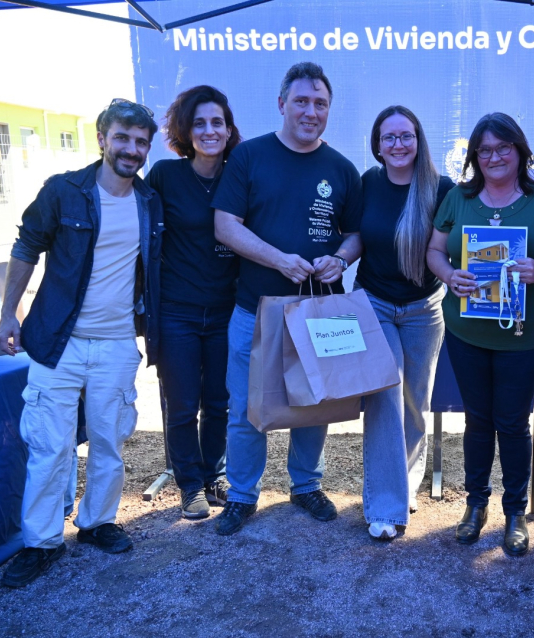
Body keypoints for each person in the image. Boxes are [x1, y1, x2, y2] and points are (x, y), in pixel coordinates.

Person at [0, 98, 163, 587]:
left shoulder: (149, 202)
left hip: (116, 345)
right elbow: (27, 245)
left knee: (110, 441)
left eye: (141, 142)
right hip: (57, 342)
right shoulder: (63, 191)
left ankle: (97, 523)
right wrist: (9, 312)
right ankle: (41, 541)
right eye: (123, 139)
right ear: (102, 139)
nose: (131, 149)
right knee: (51, 446)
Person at [211, 62, 363, 535]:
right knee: (246, 407)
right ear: (282, 104)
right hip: (254, 308)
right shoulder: (250, 157)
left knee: (313, 403)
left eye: (320, 103)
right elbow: (225, 226)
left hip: (317, 310)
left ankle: (305, 486)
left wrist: (340, 258)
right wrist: (279, 259)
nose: (311, 111)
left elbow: (355, 234)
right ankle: (241, 494)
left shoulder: (341, 168)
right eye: (301, 101)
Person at [427, 113, 534, 556]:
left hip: (522, 335)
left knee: (512, 423)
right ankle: (475, 505)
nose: (493, 157)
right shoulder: (458, 197)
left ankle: (514, 511)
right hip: (466, 330)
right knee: (477, 421)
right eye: (484, 150)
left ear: (520, 151)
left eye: (502, 148)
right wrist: (450, 277)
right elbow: (434, 251)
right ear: (475, 156)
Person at [355, 106, 455, 540]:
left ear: (419, 140)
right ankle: (385, 506)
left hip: (424, 308)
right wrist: (336, 259)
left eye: (406, 136)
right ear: (377, 145)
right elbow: (355, 235)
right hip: (374, 304)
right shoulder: (366, 184)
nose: (398, 144)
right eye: (389, 137)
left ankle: (406, 482)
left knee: (416, 401)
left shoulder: (442, 188)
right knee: (384, 398)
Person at [147, 86, 242, 520]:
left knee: (220, 402)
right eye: (199, 123)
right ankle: (189, 484)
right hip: (177, 311)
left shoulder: (240, 174)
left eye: (217, 122)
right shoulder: (165, 175)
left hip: (227, 309)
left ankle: (214, 474)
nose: (209, 130)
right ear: (186, 130)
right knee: (182, 404)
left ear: (228, 128)